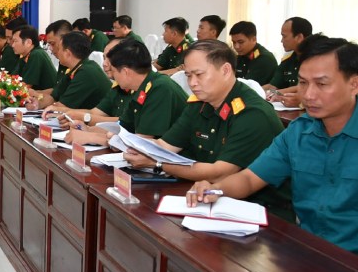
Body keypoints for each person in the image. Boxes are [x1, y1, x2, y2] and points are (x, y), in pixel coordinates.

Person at [186, 35, 358, 251]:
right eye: (303, 83)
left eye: (322, 84)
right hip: (307, 252)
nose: (309, 95)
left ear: (354, 84)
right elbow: (249, 179)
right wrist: (214, 189)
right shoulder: (298, 132)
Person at [122, 40, 292, 220]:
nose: (192, 83)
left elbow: (220, 172)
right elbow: (165, 146)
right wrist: (138, 150)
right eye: (188, 75)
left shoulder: (252, 113)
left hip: (261, 212)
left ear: (225, 70)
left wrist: (157, 164)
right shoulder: (199, 104)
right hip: (206, 196)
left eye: (199, 74)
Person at [30, 31, 110, 110]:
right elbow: (53, 97)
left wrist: (39, 98)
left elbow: (62, 106)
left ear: (67, 53)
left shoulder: (87, 72)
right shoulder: (75, 69)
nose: (57, 52)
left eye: (59, 49)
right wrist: (35, 104)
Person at [264, 16, 313, 106]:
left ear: (299, 37)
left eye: (284, 36)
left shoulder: (315, 58)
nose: (281, 40)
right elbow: (272, 86)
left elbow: (308, 85)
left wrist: (279, 92)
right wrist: (257, 91)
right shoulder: (288, 58)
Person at [8, 25, 57, 90]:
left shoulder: (37, 54)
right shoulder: (24, 56)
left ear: (28, 42)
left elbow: (25, 87)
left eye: (15, 41)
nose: (12, 45)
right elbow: (12, 78)